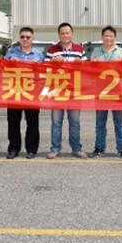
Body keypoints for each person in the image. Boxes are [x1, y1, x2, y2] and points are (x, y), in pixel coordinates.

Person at [45, 22, 87, 159]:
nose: (65, 35)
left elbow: (88, 69)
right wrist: (52, 62)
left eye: (67, 33)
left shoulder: (80, 50)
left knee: (75, 122)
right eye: (62, 33)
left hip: (74, 92)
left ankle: (76, 148)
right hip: (57, 91)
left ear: (72, 34)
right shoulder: (52, 50)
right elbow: (44, 68)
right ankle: (55, 148)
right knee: (56, 122)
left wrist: (81, 64)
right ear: (59, 35)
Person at [90, 26, 122, 159]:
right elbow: (90, 71)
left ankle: (121, 149)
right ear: (102, 37)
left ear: (115, 37)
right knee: (100, 122)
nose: (108, 38)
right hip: (100, 92)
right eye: (106, 36)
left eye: (111, 36)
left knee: (119, 123)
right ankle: (99, 148)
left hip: (117, 93)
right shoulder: (96, 52)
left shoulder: (121, 52)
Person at [5, 27, 45, 159]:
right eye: (22, 37)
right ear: (19, 38)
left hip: (32, 93)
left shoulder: (39, 55)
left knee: (32, 122)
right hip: (14, 92)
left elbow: (45, 74)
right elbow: (2, 68)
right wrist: (9, 63)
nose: (25, 39)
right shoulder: (11, 53)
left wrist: (38, 67)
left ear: (33, 39)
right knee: (13, 122)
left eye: (28, 37)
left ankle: (31, 149)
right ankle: (13, 148)